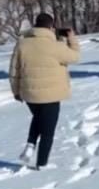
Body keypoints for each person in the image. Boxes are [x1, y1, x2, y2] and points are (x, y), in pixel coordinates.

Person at [9, 12, 82, 170]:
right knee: (48, 131)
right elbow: (75, 56)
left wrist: (16, 91)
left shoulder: (22, 44)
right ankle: (42, 164)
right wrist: (71, 37)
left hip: (29, 94)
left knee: (38, 117)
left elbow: (14, 70)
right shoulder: (56, 46)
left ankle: (30, 144)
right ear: (51, 26)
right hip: (51, 95)